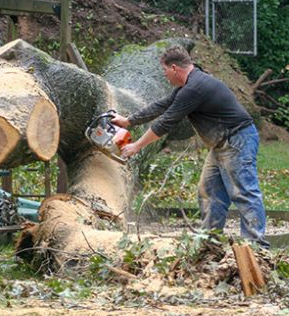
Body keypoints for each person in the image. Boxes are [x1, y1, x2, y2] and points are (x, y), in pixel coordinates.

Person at [111, 45, 268, 247]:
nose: (165, 75)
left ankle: (257, 247)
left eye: (165, 71)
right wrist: (128, 121)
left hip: (237, 140)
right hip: (221, 144)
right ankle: (211, 243)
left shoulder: (194, 88)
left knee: (244, 192)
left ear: (175, 68)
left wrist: (136, 146)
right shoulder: (188, 86)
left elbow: (165, 122)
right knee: (209, 191)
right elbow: (161, 106)